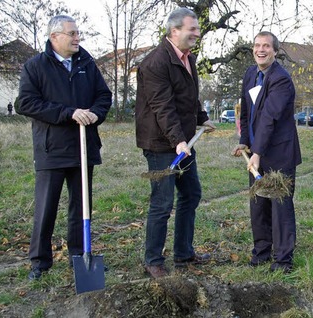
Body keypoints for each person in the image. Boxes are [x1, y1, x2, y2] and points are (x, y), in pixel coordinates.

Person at [16, 15, 112, 281]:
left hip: (84, 146)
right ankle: (40, 262)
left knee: (81, 207)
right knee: (46, 207)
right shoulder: (35, 66)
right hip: (51, 149)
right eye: (71, 33)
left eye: (78, 33)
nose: (77, 38)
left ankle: (79, 256)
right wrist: (68, 113)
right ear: (54, 37)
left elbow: (104, 96)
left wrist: (95, 113)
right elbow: (26, 103)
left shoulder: (87, 64)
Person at [135, 8, 216, 279]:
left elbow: (190, 96)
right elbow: (162, 106)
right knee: (162, 202)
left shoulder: (187, 58)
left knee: (191, 193)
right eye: (192, 29)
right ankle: (153, 260)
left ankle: (183, 252)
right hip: (161, 143)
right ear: (174, 31)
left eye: (196, 28)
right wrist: (178, 141)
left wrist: (202, 118)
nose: (197, 33)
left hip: (183, 142)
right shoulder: (155, 63)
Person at [232, 31, 301, 273]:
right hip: (255, 152)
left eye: (266, 46)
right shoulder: (250, 74)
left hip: (279, 153)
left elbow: (270, 117)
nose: (261, 50)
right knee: (258, 203)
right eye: (257, 45)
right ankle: (261, 252)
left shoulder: (281, 80)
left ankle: (283, 260)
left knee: (280, 205)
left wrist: (258, 151)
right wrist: (244, 141)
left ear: (275, 51)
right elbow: (246, 113)